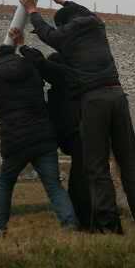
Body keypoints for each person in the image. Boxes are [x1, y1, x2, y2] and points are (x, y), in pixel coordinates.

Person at [19, 0, 135, 235]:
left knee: (96, 167)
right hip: (118, 95)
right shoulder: (97, 24)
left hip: (94, 101)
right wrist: (60, 0)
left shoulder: (66, 35)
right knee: (129, 163)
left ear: (64, 23)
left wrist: (32, 10)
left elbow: (48, 35)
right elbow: (80, 11)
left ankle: (109, 226)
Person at [0, 30, 78, 236]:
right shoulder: (30, 67)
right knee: (54, 185)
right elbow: (38, 65)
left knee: (5, 184)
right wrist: (23, 44)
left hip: (15, 140)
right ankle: (70, 224)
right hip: (42, 137)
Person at [44, 48, 93, 230]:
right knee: (83, 177)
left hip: (74, 135)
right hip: (82, 134)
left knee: (79, 179)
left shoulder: (59, 91)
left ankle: (82, 219)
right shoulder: (77, 85)